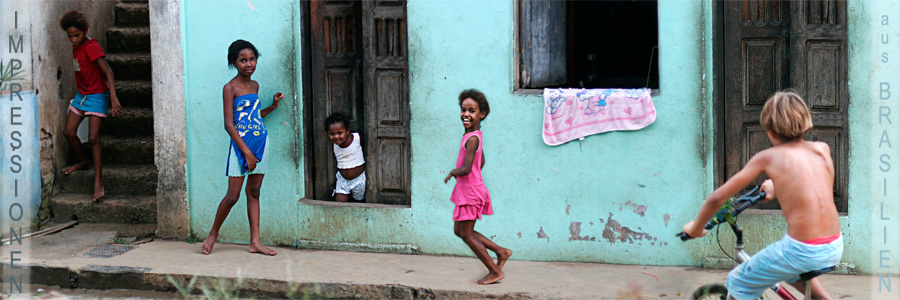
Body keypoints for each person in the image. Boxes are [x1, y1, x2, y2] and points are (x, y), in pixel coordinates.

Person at [681, 90, 843, 300]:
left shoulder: (768, 157)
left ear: (771, 132)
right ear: (806, 121)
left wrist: (696, 229)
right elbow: (810, 184)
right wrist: (777, 186)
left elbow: (716, 199)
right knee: (789, 271)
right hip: (833, 247)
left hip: (801, 250)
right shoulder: (822, 148)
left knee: (739, 280)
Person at [200, 40, 283, 256]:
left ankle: (255, 242)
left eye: (252, 59)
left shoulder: (255, 86)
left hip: (261, 143)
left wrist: (273, 107)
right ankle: (212, 235)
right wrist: (246, 152)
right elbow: (229, 124)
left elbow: (254, 116)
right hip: (241, 148)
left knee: (254, 192)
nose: (249, 64)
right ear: (234, 63)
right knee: (232, 196)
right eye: (243, 60)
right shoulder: (230, 88)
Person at [444, 89, 513, 285]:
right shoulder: (473, 135)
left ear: (481, 114)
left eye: (471, 110)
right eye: (463, 110)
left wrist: (453, 172)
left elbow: (467, 168)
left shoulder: (472, 138)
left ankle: (494, 271)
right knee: (460, 231)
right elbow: (480, 161)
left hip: (471, 192)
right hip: (468, 190)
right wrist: (472, 173)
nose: (466, 114)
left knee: (466, 233)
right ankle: (501, 251)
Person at [59, 10, 122, 201]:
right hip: (82, 96)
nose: (73, 40)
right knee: (69, 132)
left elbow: (108, 72)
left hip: (97, 96)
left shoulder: (91, 46)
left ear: (85, 30)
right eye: (70, 36)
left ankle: (98, 181)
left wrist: (113, 97)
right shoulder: (76, 47)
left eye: (76, 35)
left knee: (94, 138)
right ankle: (84, 161)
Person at [325, 113, 366, 202]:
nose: (336, 136)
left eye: (340, 133)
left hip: (359, 179)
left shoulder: (356, 138)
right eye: (332, 134)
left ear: (347, 131)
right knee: (339, 204)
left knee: (359, 202)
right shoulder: (335, 144)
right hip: (343, 180)